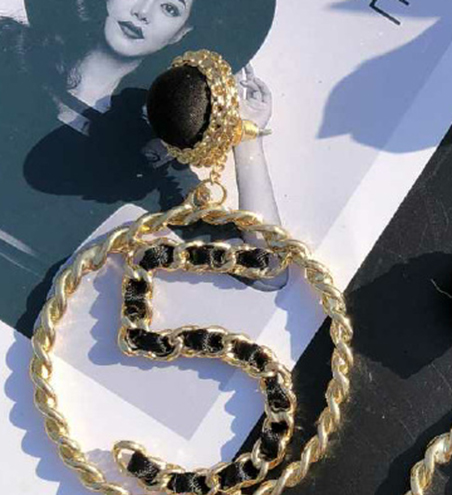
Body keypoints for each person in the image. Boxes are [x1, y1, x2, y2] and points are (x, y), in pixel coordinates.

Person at [0, 0, 281, 336]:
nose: (143, 12)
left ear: (181, 34)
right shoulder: (9, 53)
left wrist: (246, 136)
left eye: (170, 9)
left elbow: (267, 269)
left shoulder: (151, 161)